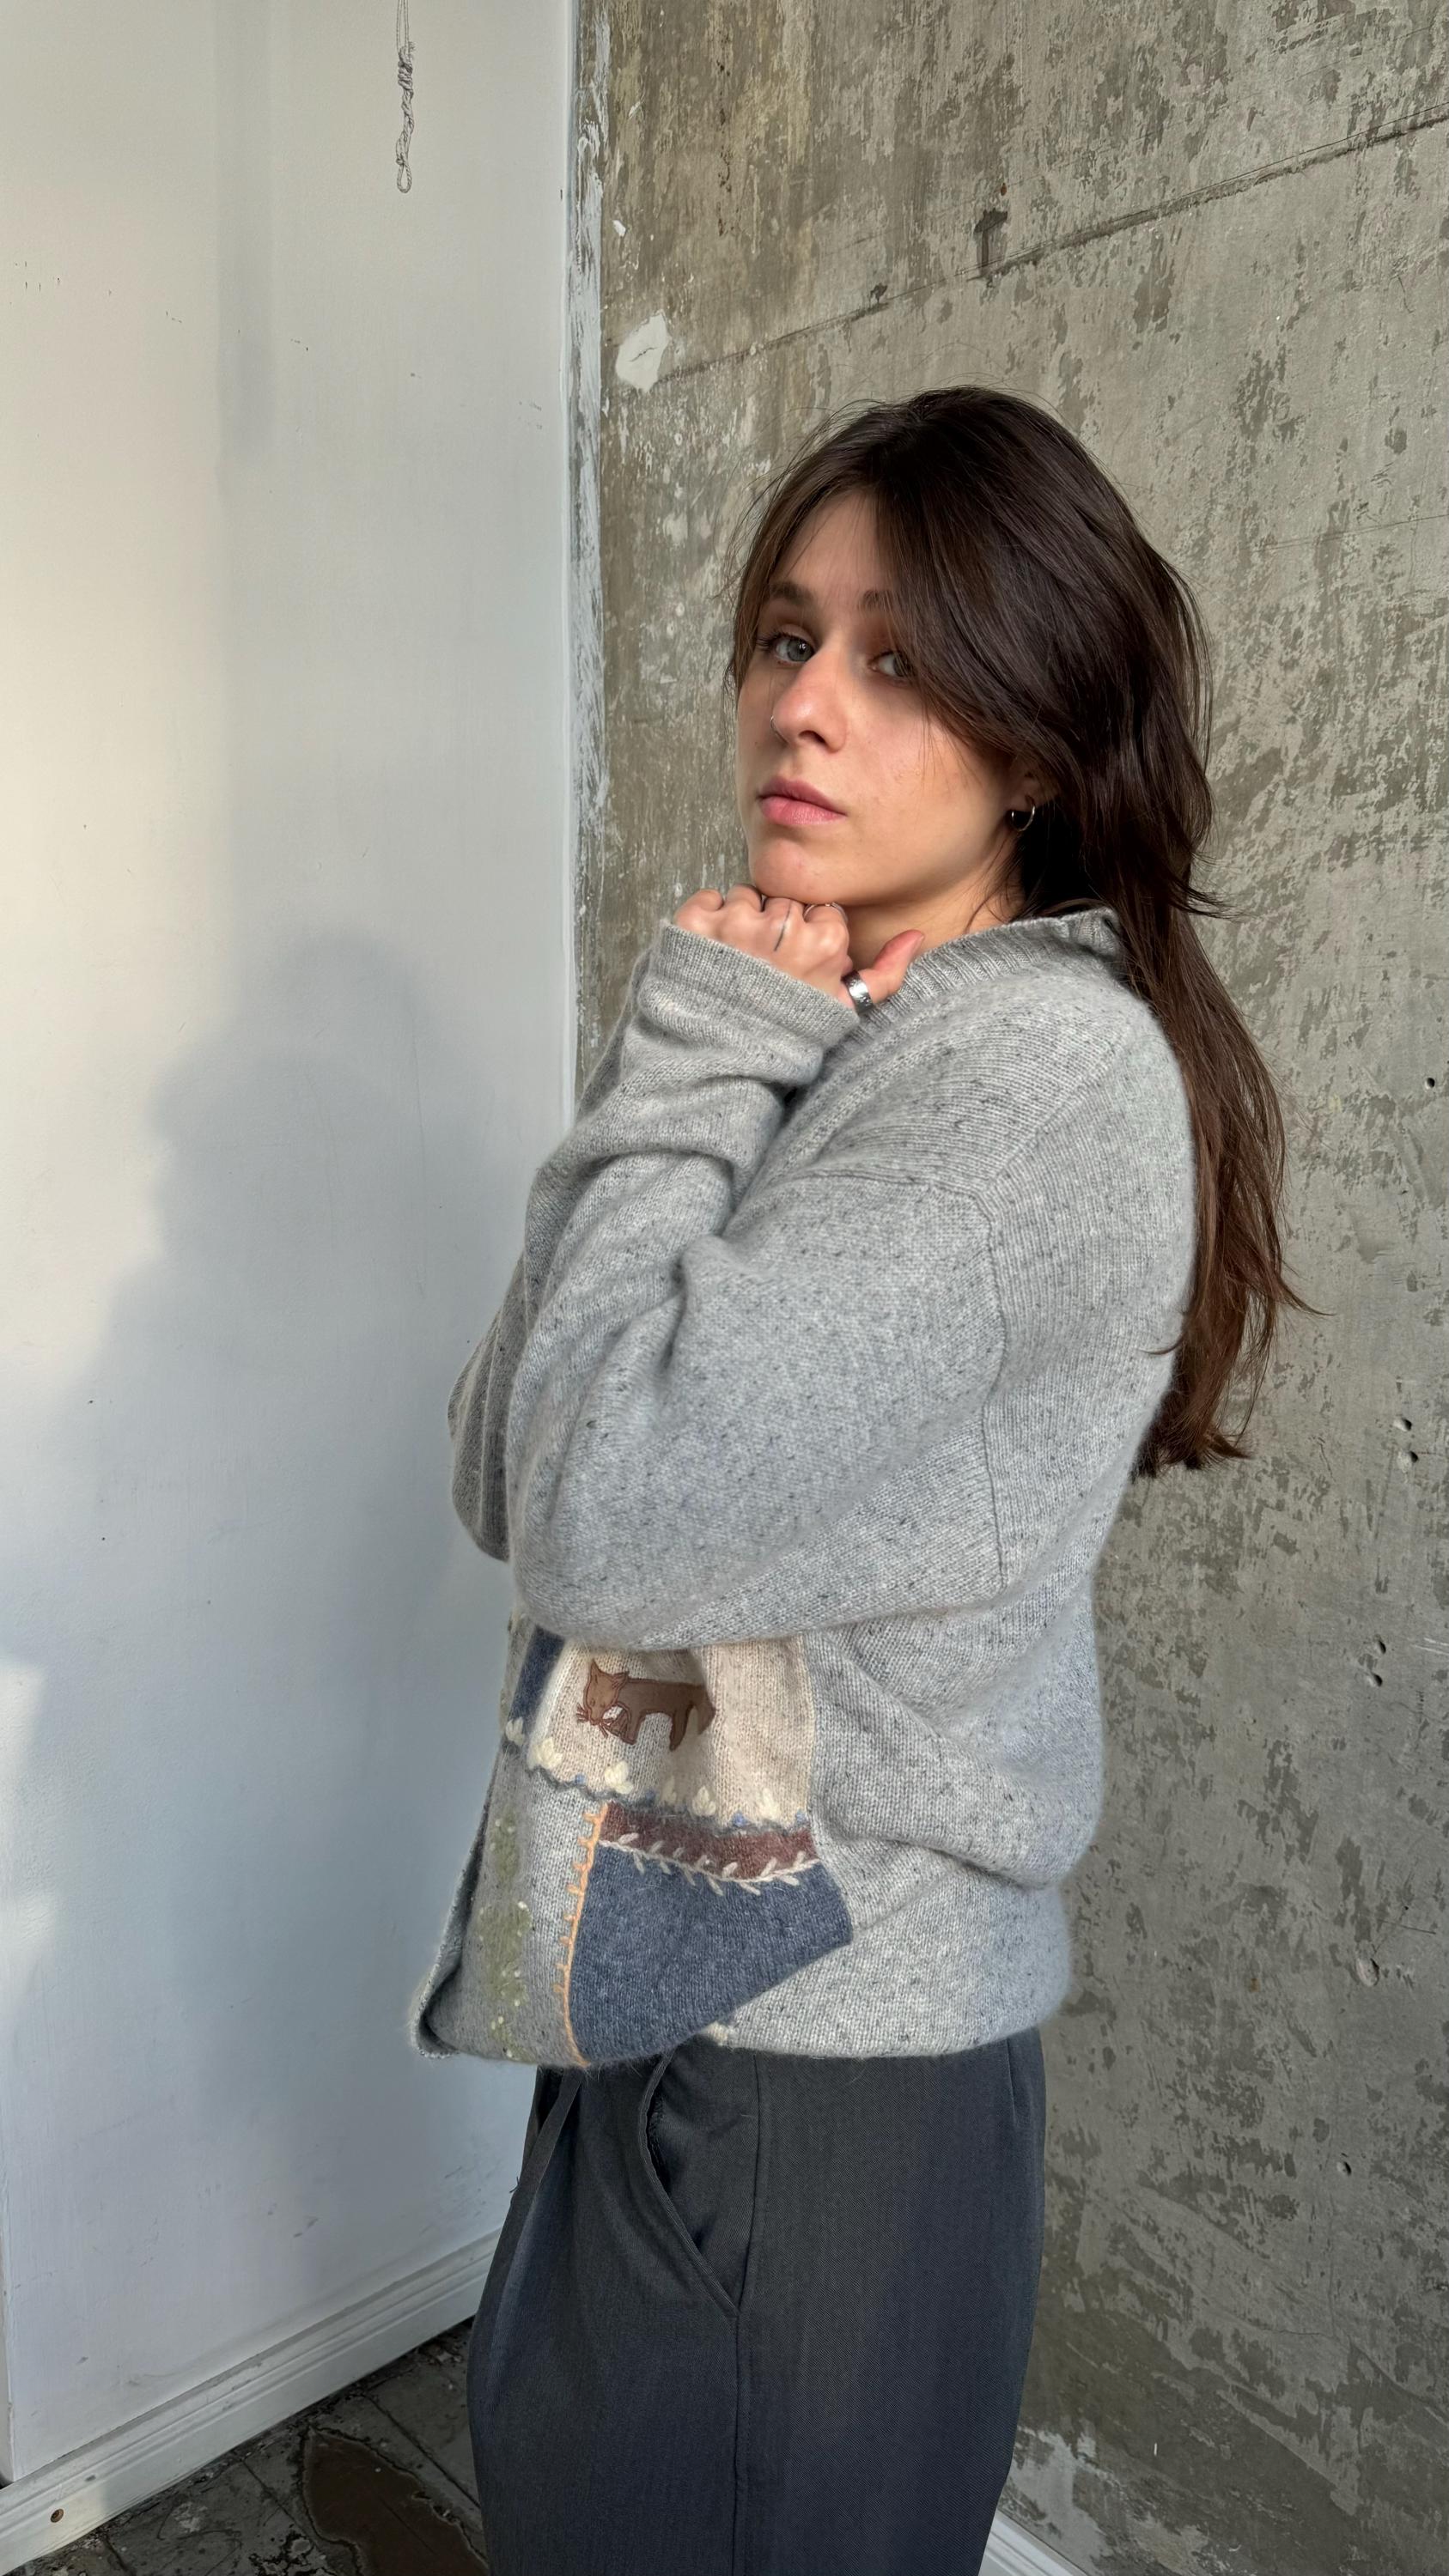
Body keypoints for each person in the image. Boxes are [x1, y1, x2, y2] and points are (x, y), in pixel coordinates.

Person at [407, 386, 1307, 2576]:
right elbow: (507, 1464)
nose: (802, 703)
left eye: (897, 656)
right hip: (682, 1972)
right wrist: (704, 1050)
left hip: (822, 2058)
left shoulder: (1028, 1073)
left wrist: (704, 1037)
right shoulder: (843, 1038)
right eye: (782, 636)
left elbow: (600, 1507)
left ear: (1035, 728)